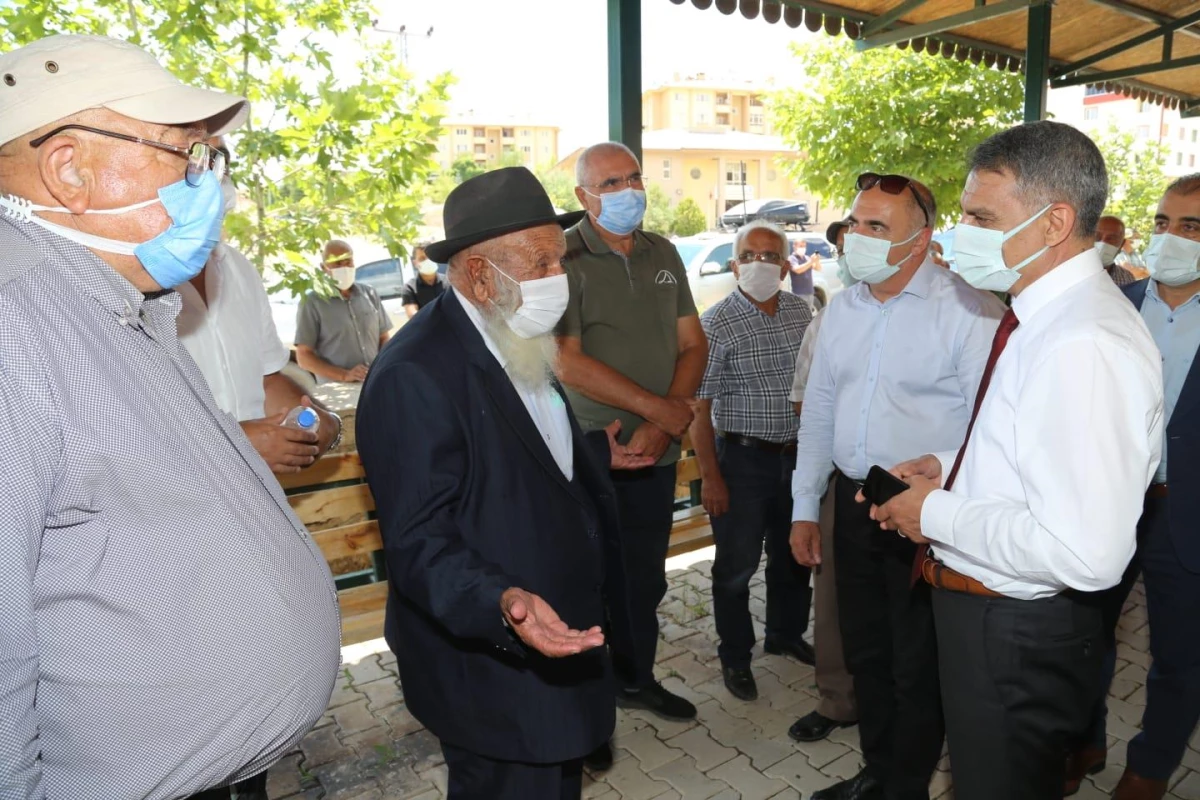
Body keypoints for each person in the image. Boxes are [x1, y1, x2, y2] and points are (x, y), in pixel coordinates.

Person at [0, 34, 340, 800]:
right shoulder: (13, 326)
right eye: (187, 157)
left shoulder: (126, 303)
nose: (208, 184)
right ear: (68, 171)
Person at [865, 121, 1163, 800]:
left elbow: (1086, 552)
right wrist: (949, 465)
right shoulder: (1044, 318)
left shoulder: (1083, 342)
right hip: (992, 617)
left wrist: (932, 512)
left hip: (1014, 633)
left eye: (980, 216)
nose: (957, 232)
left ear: (1055, 221)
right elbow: (1036, 447)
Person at [356, 166, 648, 800]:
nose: (556, 278)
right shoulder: (416, 373)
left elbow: (515, 448)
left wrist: (591, 455)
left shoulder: (513, 329)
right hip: (496, 655)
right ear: (483, 276)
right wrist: (501, 602)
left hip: (554, 629)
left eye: (558, 259)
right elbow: (419, 540)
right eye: (539, 262)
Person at [790, 173, 1004, 800]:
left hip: (925, 510)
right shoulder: (844, 309)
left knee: (917, 662)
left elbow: (986, 429)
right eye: (856, 223)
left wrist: (940, 501)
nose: (856, 237)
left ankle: (905, 786)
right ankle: (880, 773)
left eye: (876, 227)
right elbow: (822, 409)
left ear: (921, 240)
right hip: (855, 504)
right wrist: (805, 507)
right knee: (868, 654)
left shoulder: (969, 310)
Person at [555, 142, 709, 766]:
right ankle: (586, 716)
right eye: (611, 182)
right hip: (594, 452)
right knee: (585, 582)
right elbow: (563, 358)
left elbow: (693, 344)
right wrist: (659, 412)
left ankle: (636, 679)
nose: (628, 191)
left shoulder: (664, 253)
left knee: (643, 578)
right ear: (583, 196)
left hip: (655, 451)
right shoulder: (563, 257)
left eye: (634, 177)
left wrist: (665, 421)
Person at [1085, 174, 1200, 800]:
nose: (1170, 237)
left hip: (1187, 518)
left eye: (1191, 227)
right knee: (1085, 638)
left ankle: (1150, 767)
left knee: (1180, 658)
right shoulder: (1114, 307)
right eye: (1162, 222)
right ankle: (1084, 739)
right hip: (1107, 508)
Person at [689, 220, 814, 703]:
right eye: (749, 255)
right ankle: (736, 655)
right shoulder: (716, 323)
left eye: (770, 256)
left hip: (796, 458)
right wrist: (711, 478)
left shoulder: (801, 312)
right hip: (741, 462)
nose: (759, 264)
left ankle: (785, 634)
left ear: (785, 266)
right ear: (735, 264)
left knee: (792, 556)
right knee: (736, 568)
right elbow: (699, 407)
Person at [177, 137, 343, 475]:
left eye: (220, 162)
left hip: (257, 505)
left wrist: (325, 422)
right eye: (196, 159)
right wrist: (234, 446)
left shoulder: (239, 271)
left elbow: (266, 379)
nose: (211, 176)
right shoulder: (126, 285)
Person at [786, 219, 859, 744]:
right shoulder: (830, 320)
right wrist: (805, 504)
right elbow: (805, 406)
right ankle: (839, 701)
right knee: (833, 602)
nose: (854, 250)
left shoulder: (961, 312)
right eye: (847, 241)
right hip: (844, 481)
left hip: (928, 490)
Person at [295, 239, 393, 382]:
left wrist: (382, 365)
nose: (344, 268)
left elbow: (384, 338)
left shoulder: (369, 294)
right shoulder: (312, 303)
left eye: (348, 262)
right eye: (337, 264)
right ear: (324, 267)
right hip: (336, 392)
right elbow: (304, 357)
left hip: (374, 383)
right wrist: (344, 375)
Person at [401, 244, 449, 317]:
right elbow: (413, 316)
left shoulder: (450, 282)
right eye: (422, 258)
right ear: (415, 263)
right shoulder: (410, 288)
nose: (428, 261)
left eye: (430, 257)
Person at [1096, 214, 1139, 287]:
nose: (1103, 243)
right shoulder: (1071, 272)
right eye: (1097, 236)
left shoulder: (1127, 279)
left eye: (1111, 239)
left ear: (1121, 245)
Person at [787, 237, 819, 303]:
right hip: (799, 294)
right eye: (800, 246)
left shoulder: (807, 258)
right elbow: (797, 270)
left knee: (808, 312)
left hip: (810, 293)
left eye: (804, 246)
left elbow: (818, 268)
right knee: (799, 313)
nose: (802, 248)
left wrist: (817, 260)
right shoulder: (791, 258)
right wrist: (811, 261)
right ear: (794, 246)